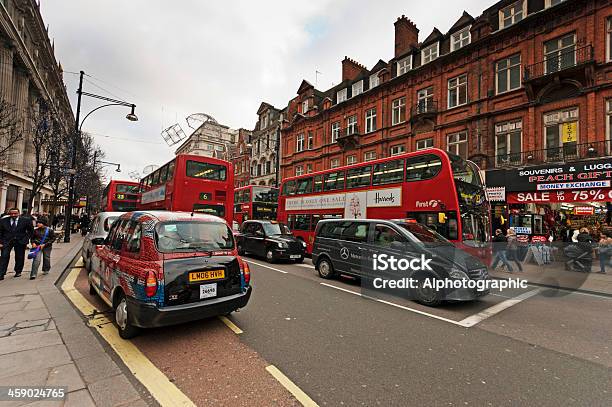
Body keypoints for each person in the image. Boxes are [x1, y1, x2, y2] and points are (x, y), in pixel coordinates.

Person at [0, 208, 35, 279]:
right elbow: (0, 232)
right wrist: (0, 242)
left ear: (19, 213)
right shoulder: (3, 221)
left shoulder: (26, 220)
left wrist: (26, 239)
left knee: (19, 257)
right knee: (4, 256)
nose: (13, 215)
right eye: (11, 213)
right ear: (9, 214)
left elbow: (31, 231)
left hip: (20, 241)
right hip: (6, 241)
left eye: (15, 213)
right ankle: (1, 273)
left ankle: (18, 271)